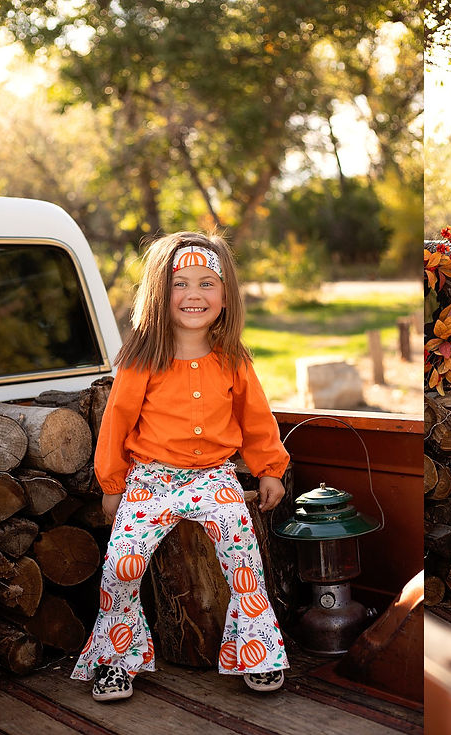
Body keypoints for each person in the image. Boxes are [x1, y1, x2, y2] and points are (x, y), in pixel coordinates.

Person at [72, 231, 291, 701]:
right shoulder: (141, 358)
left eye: (207, 283)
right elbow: (117, 422)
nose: (194, 295)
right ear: (159, 293)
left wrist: (269, 468)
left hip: (215, 477)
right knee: (121, 567)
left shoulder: (234, 358)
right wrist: (113, 483)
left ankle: (258, 651)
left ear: (226, 294)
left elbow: (255, 419)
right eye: (181, 284)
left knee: (244, 562)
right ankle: (115, 660)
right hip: (150, 479)